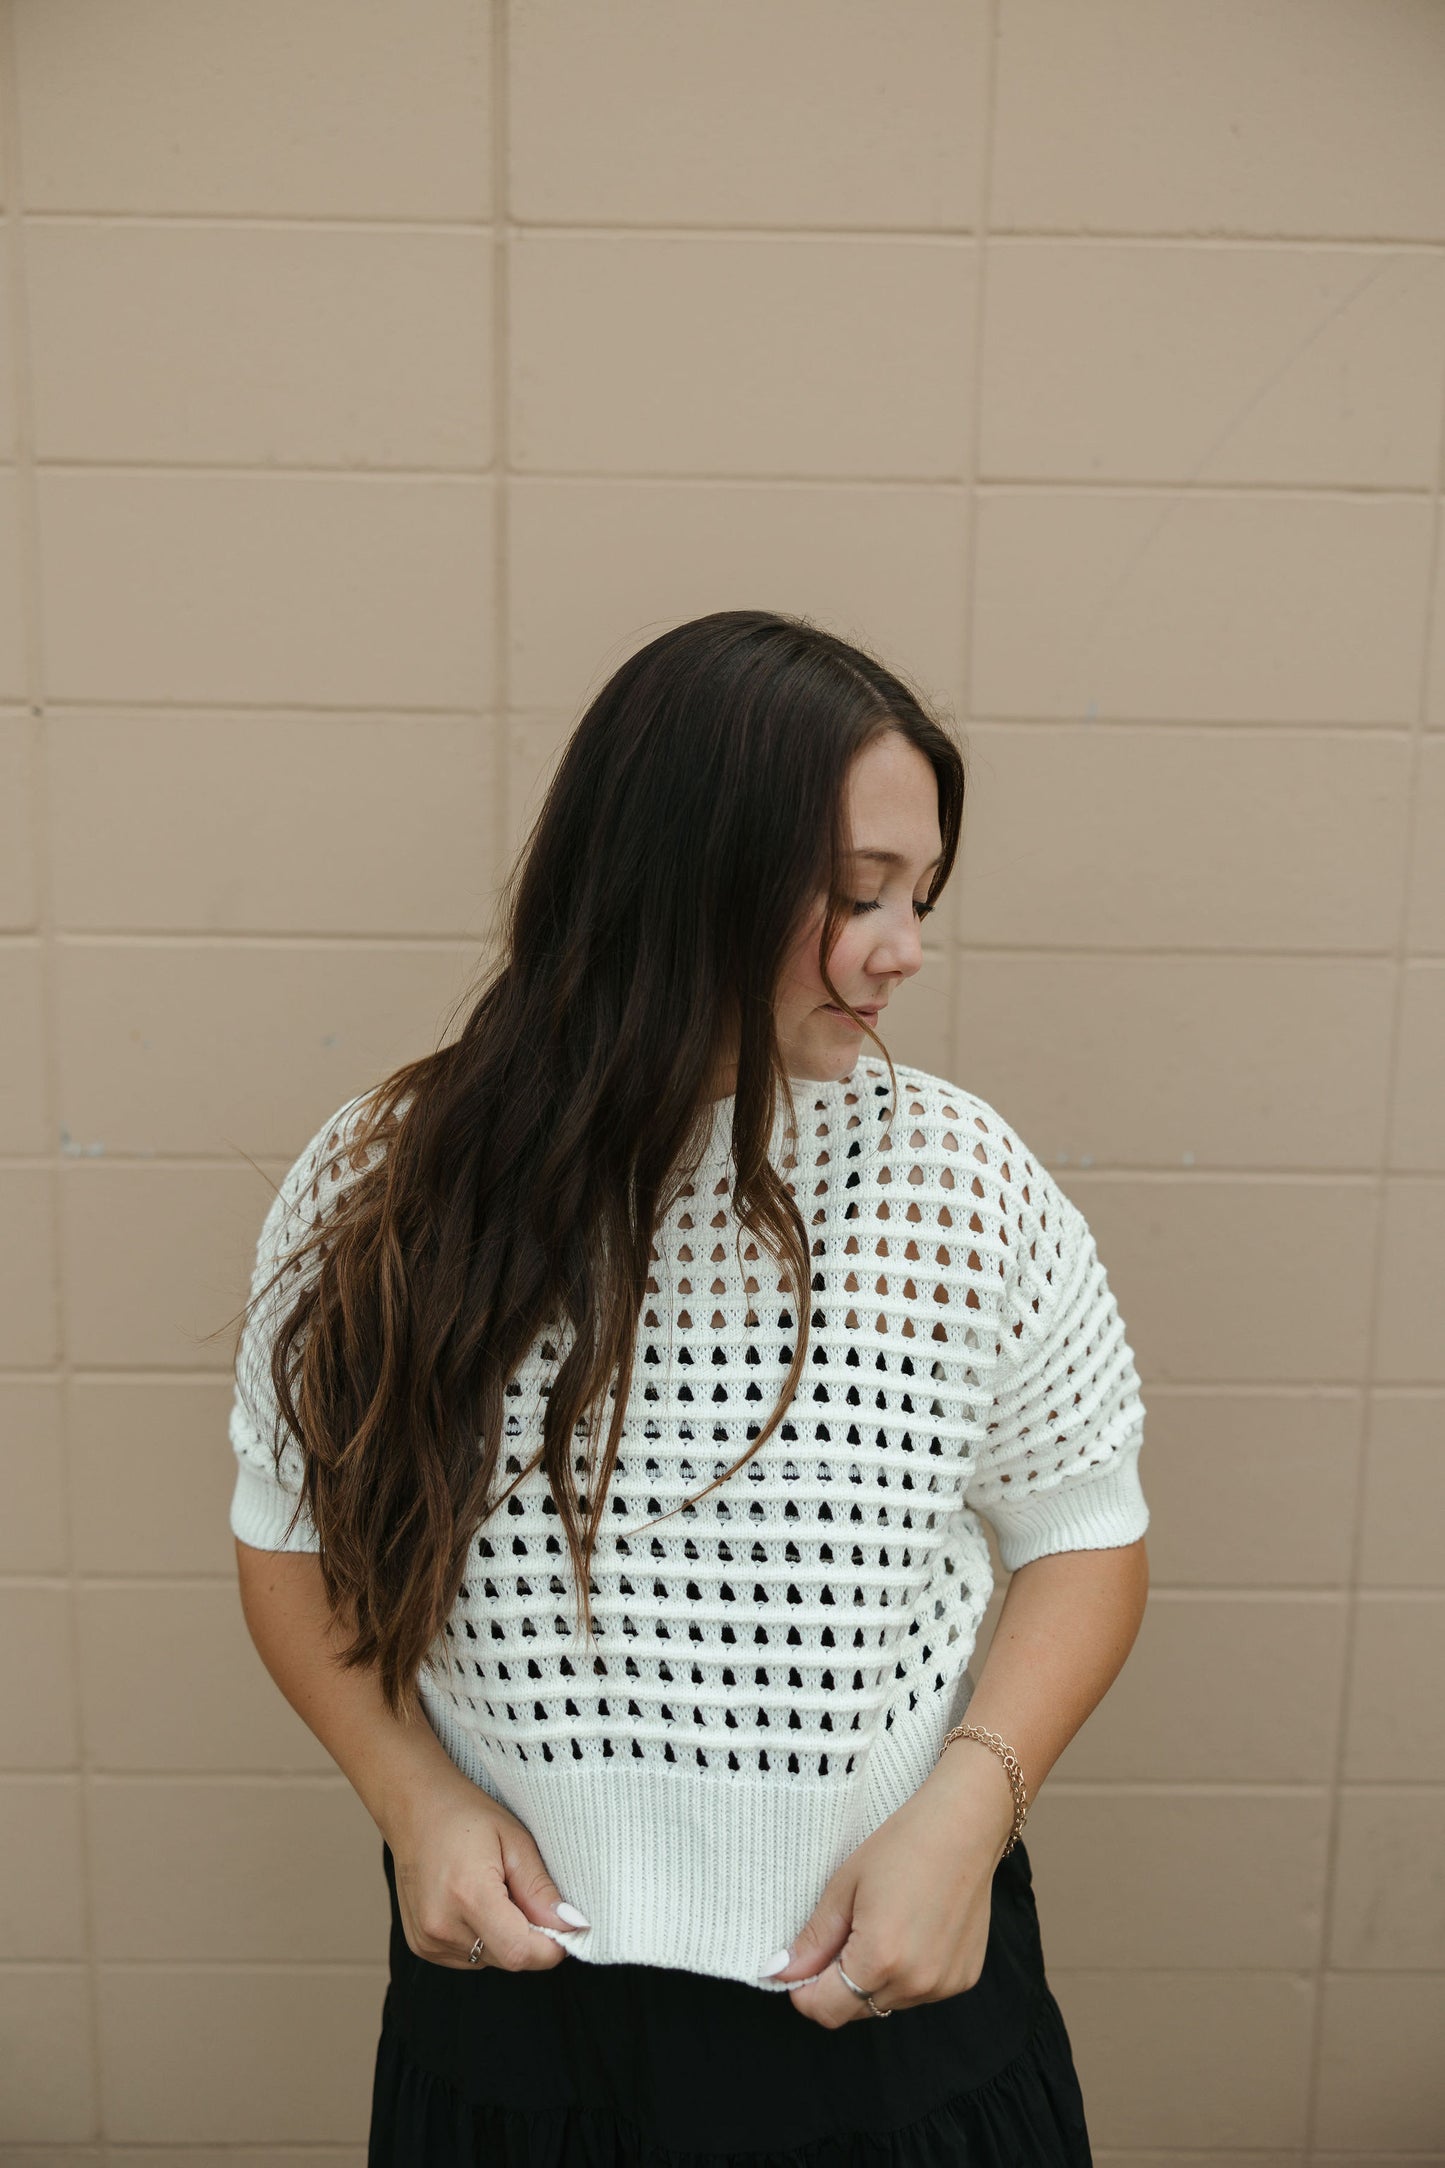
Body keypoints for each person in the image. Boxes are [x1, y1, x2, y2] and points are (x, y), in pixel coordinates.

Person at [230, 607, 1151, 2165]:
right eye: (859, 894)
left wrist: (969, 1811)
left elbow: (1086, 1532)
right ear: (678, 873)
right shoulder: (384, 1181)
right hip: (520, 2023)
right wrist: (411, 1799)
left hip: (886, 2023)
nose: (902, 946)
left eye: (918, 896)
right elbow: (285, 1534)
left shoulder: (961, 1182)